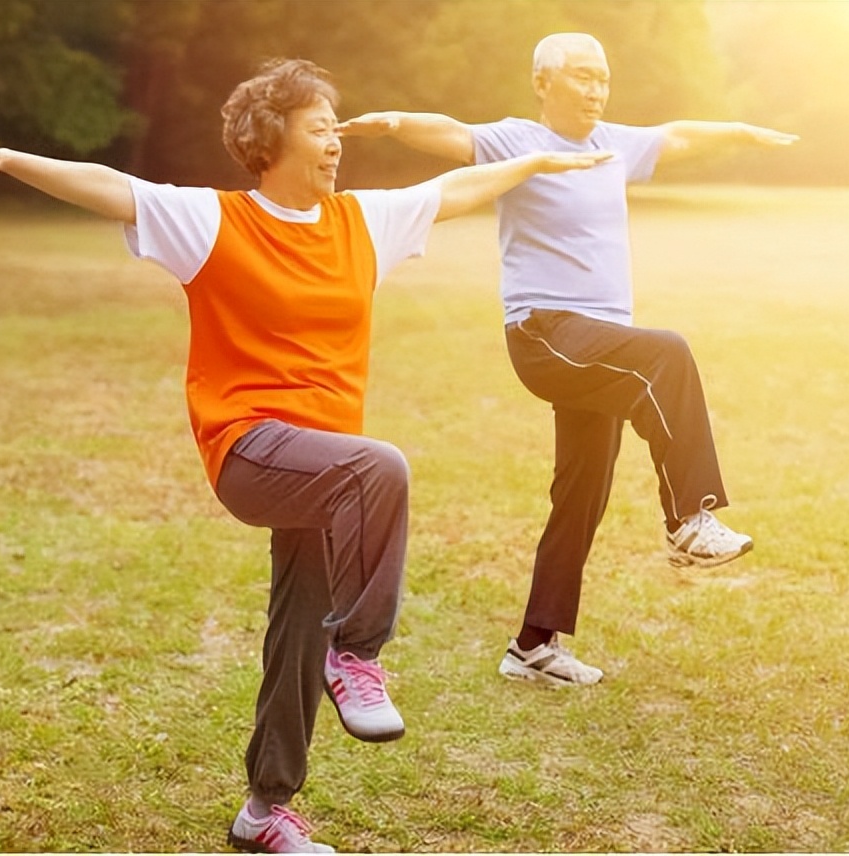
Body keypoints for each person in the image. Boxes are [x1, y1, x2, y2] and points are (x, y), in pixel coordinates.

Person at [0, 58, 610, 852]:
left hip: (324, 472)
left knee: (297, 628)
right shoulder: (212, 221)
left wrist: (539, 159)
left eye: (335, 129)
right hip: (249, 450)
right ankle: (360, 655)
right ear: (272, 138)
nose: (335, 144)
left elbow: (456, 192)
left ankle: (265, 808)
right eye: (319, 129)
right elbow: (107, 185)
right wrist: (3, 159)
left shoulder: (362, 222)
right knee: (380, 466)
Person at [339, 33, 798, 690]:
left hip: (598, 349)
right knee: (665, 355)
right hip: (546, 332)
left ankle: (532, 646)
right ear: (543, 81)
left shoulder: (614, 145)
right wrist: (393, 123)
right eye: (582, 76)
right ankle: (690, 519)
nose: (595, 89)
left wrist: (741, 133)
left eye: (603, 78)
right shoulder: (517, 141)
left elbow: (679, 135)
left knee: (582, 492)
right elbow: (451, 134)